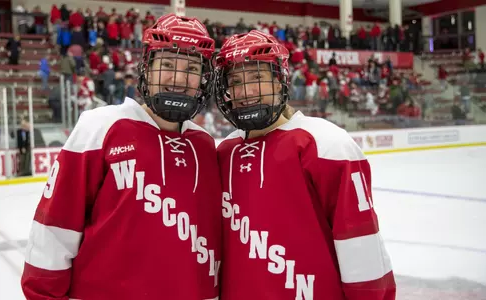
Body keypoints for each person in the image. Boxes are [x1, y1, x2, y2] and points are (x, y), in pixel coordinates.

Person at [21, 14, 222, 300]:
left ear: (203, 79)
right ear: (146, 69)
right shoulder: (100, 126)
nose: (178, 78)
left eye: (190, 68)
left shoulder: (204, 145)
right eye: (166, 64)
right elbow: (54, 229)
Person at [214, 30, 396, 300]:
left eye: (257, 78)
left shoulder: (326, 144)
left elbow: (362, 250)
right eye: (235, 81)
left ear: (280, 81)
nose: (246, 91)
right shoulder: (224, 152)